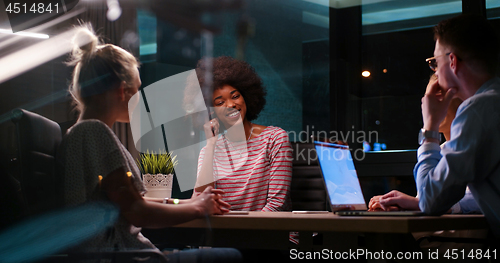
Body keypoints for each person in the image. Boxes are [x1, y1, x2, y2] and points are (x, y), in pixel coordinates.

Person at [57, 25, 241, 262]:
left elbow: (134, 200)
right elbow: (137, 211)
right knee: (230, 256)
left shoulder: (81, 133)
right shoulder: (95, 132)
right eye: (138, 90)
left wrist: (187, 201)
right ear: (121, 91)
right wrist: (198, 208)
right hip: (122, 257)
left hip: (121, 254)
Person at [412, 14, 500, 238]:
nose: (435, 71)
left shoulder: (477, 110)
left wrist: (430, 128)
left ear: (452, 61)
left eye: (435, 63)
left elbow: (430, 200)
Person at [368, 75, 480, 214]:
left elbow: (479, 200)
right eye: (427, 98)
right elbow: (427, 203)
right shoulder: (439, 151)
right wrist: (403, 204)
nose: (428, 103)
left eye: (437, 95)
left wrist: (418, 204)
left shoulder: (478, 144)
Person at [193, 56, 293, 212]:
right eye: (220, 102)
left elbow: (277, 204)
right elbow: (199, 201)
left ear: (246, 97)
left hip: (271, 232)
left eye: (235, 96)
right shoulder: (208, 151)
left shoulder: (274, 139)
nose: (231, 104)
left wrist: (245, 232)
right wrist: (211, 144)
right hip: (227, 234)